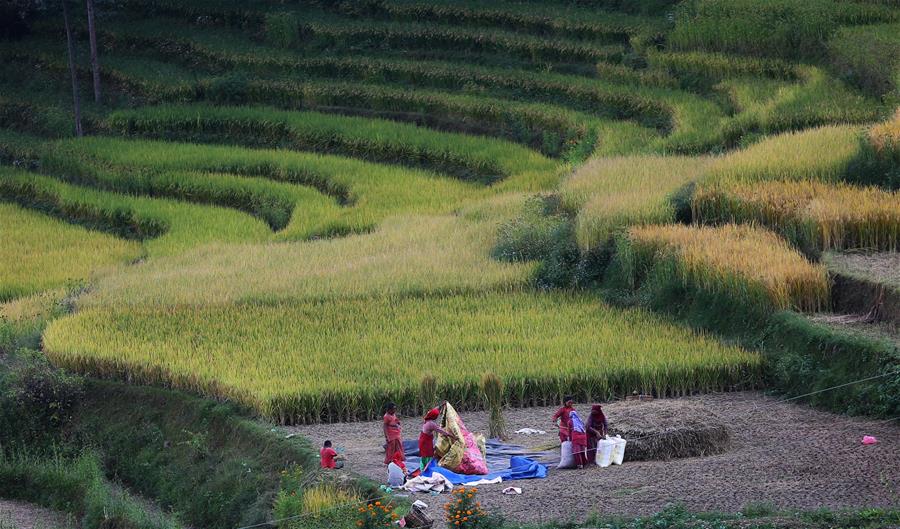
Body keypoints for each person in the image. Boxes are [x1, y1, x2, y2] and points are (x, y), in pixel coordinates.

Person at [418, 404, 456, 471]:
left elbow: (434, 410)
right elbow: (441, 431)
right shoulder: (431, 424)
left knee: (423, 455)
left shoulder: (427, 418)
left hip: (422, 439)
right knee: (428, 454)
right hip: (426, 442)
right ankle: (427, 469)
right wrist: (451, 435)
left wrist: (442, 405)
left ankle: (422, 468)